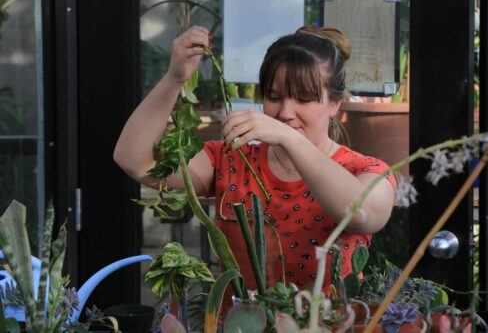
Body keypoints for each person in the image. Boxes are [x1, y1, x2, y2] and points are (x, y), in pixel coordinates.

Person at [114, 25, 396, 288]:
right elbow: (135, 160)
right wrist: (175, 78)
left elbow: (361, 214)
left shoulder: (365, 170)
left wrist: (289, 138)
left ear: (335, 104)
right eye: (274, 97)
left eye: (304, 98)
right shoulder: (232, 158)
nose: (285, 112)